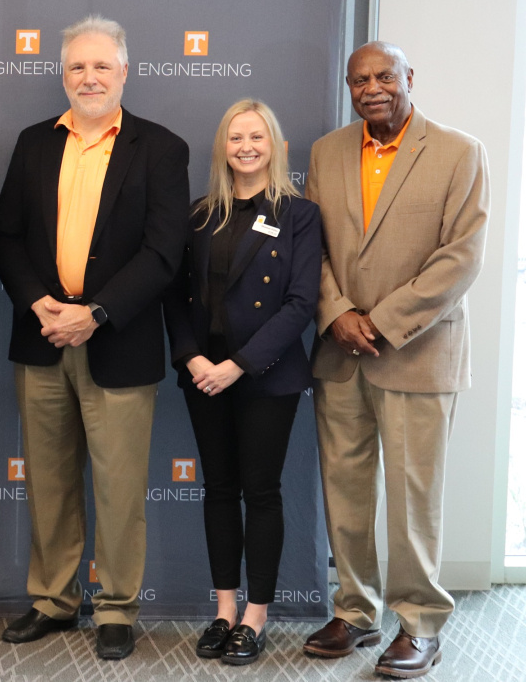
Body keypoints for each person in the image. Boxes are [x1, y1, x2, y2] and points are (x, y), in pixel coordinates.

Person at [0, 16, 189, 660]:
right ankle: (53, 600)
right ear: (63, 74)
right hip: (43, 335)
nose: (89, 77)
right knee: (48, 483)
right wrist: (38, 301)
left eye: (102, 66)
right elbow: (8, 237)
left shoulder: (160, 148)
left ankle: (117, 608)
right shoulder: (33, 143)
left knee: (119, 486)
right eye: (77, 67)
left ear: (124, 72)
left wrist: (97, 313)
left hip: (117, 342)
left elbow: (164, 253)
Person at [302, 42, 488, 679]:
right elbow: (311, 248)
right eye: (359, 79)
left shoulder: (459, 152)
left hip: (418, 353)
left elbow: (460, 258)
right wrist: (336, 314)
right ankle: (355, 611)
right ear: (348, 86)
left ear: (410, 78)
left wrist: (377, 322)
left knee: (414, 499)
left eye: (385, 76)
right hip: (340, 353)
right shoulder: (327, 153)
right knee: (346, 493)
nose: (372, 87)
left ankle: (419, 624)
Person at [162, 100, 321, 666]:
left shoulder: (299, 213)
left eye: (257, 137)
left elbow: (302, 302)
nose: (246, 146)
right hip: (204, 376)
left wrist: (239, 364)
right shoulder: (200, 213)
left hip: (266, 376)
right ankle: (225, 610)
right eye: (236, 138)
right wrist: (190, 359)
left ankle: (256, 615)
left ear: (274, 146)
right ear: (223, 148)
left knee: (262, 492)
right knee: (219, 489)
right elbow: (176, 297)